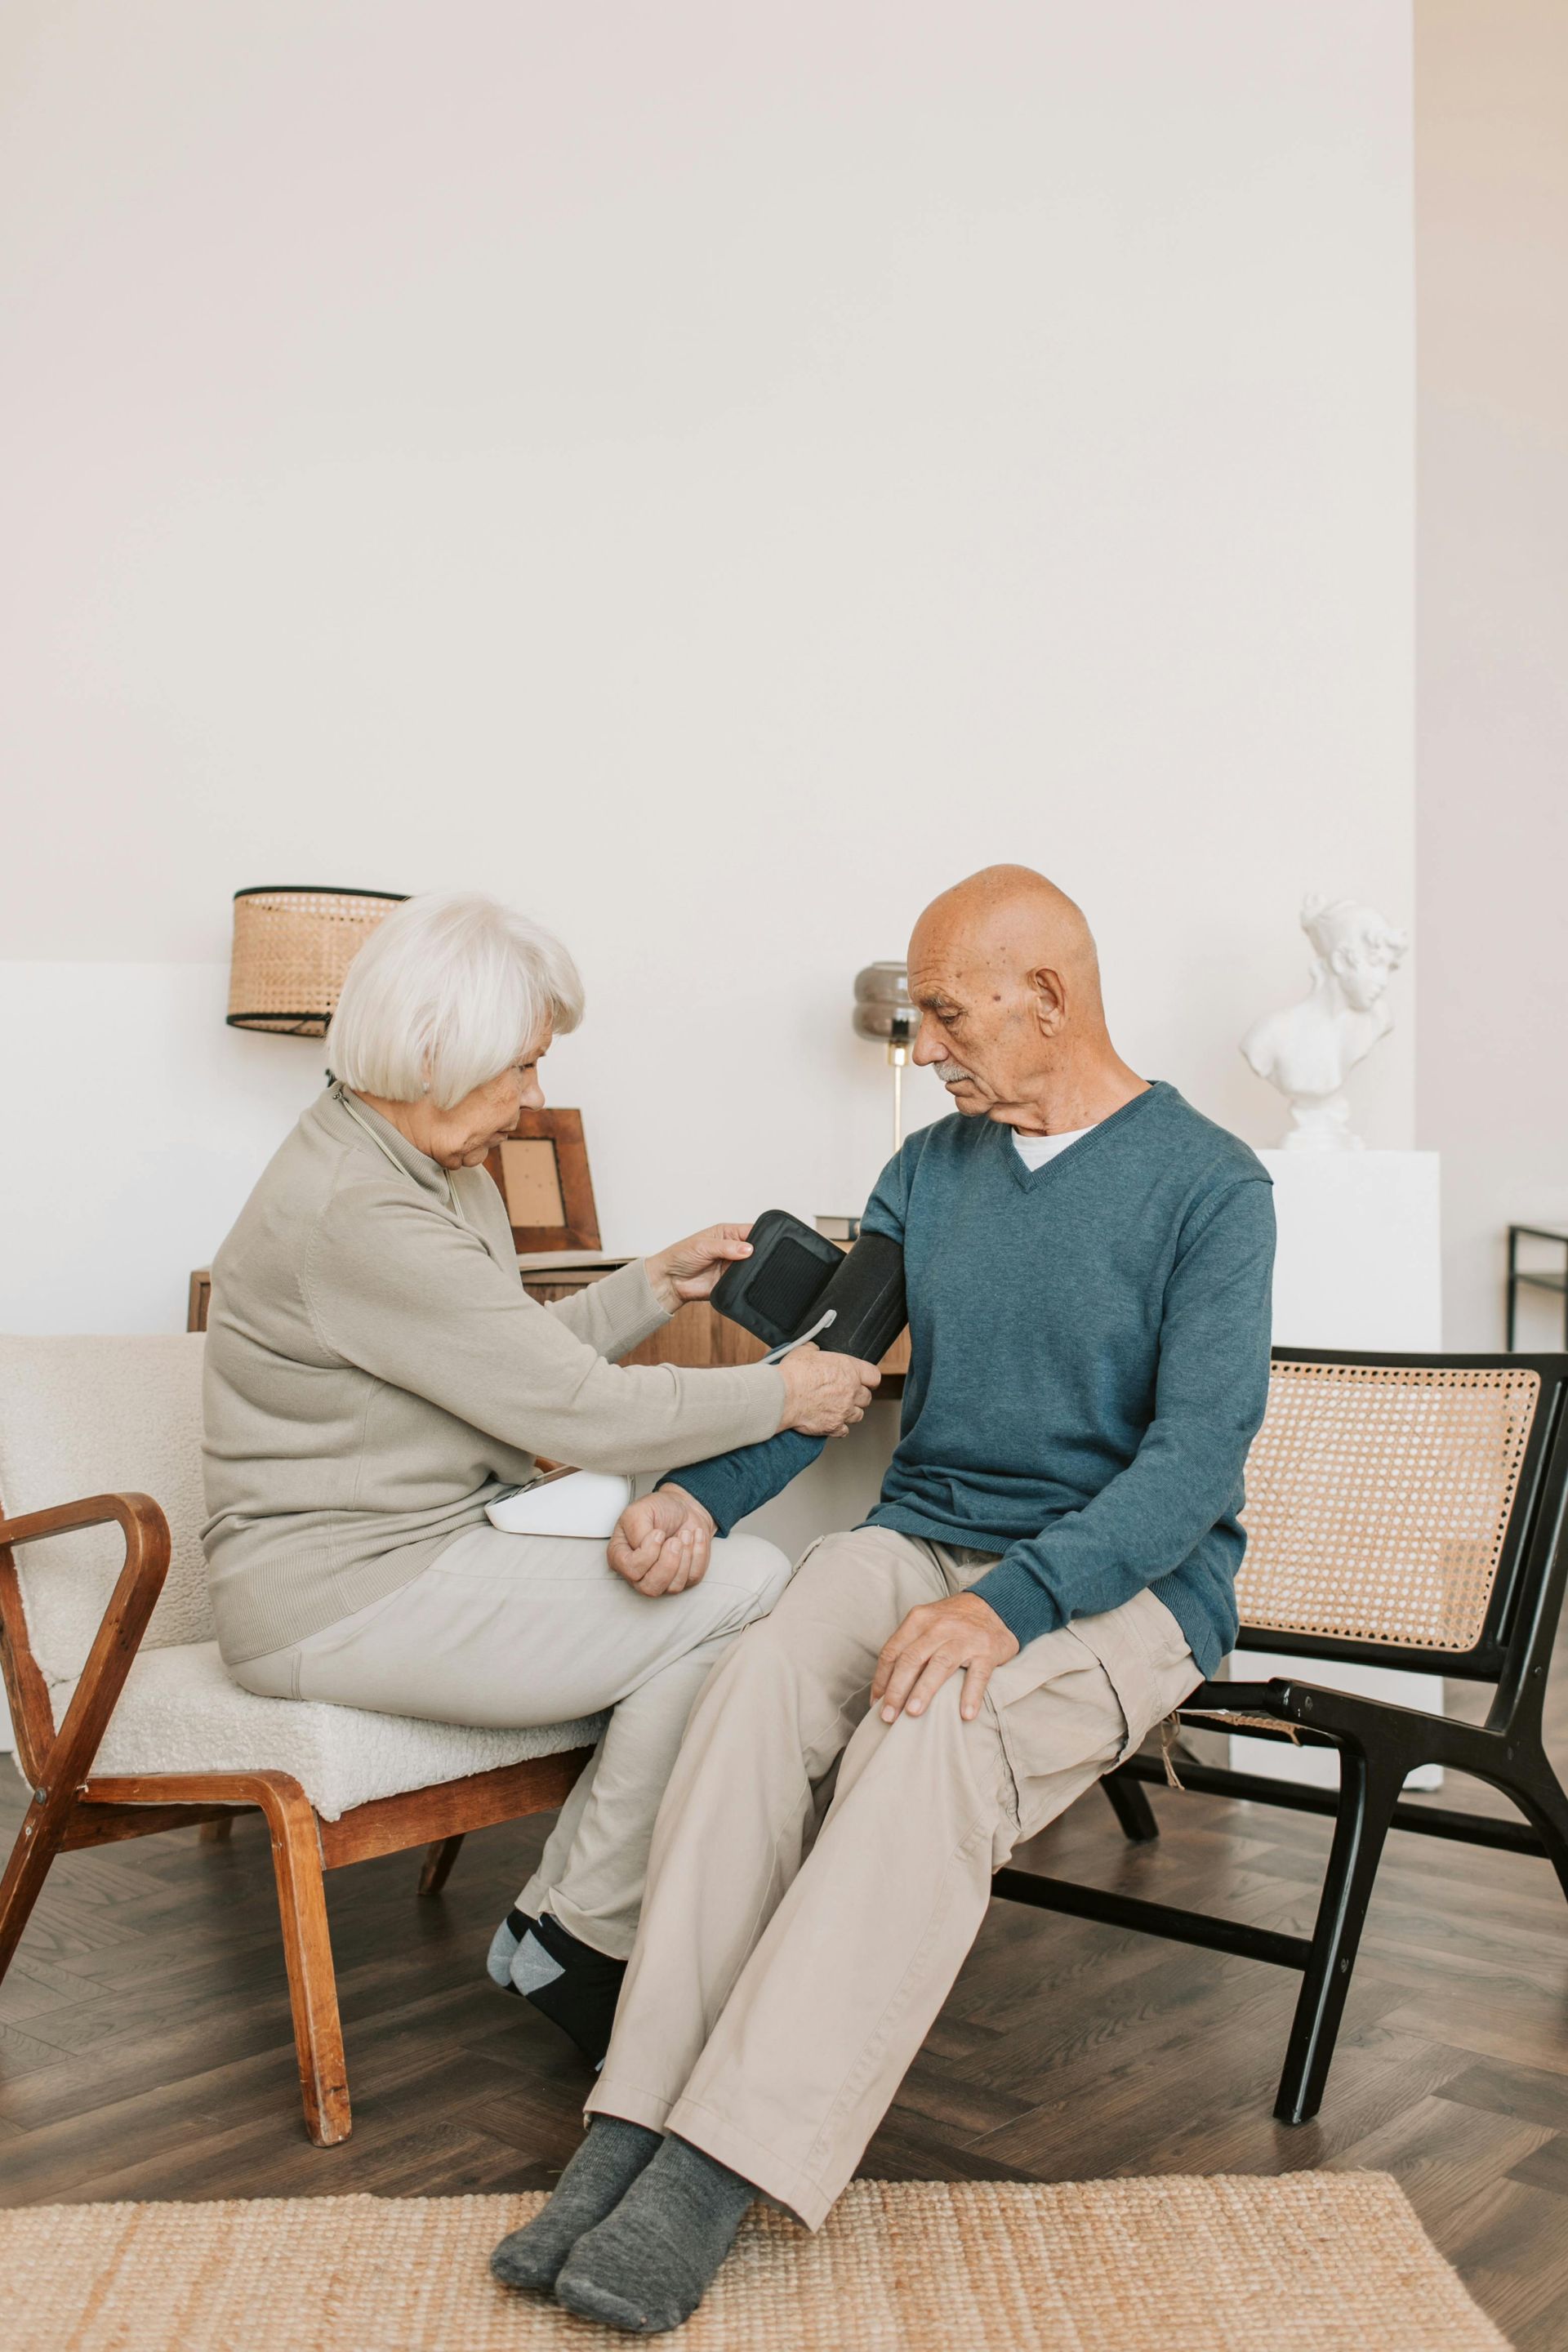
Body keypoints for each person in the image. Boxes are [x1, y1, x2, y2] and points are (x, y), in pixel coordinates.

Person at [492, 863, 1276, 2332]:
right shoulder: (926, 1169)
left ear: (1048, 999)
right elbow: (829, 1390)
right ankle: (633, 2121)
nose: (922, 1046)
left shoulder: (1214, 1185)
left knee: (932, 1737)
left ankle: (720, 2167)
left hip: (1126, 1586)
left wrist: (1012, 1607)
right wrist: (695, 1504)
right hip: (925, 1537)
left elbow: (1193, 1463)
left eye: (944, 1013)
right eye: (916, 1018)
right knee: (757, 1681)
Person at [201, 890, 879, 2060]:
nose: (533, 1098)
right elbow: (584, 1413)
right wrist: (788, 1393)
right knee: (743, 1588)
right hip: (335, 1596)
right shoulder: (353, 1210)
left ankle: (572, 1933)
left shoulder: (424, 1165)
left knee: (712, 1592)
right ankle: (580, 1935)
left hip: (423, 1552)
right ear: (431, 1055)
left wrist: (650, 1287)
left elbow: (505, 1366)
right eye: (519, 1069)